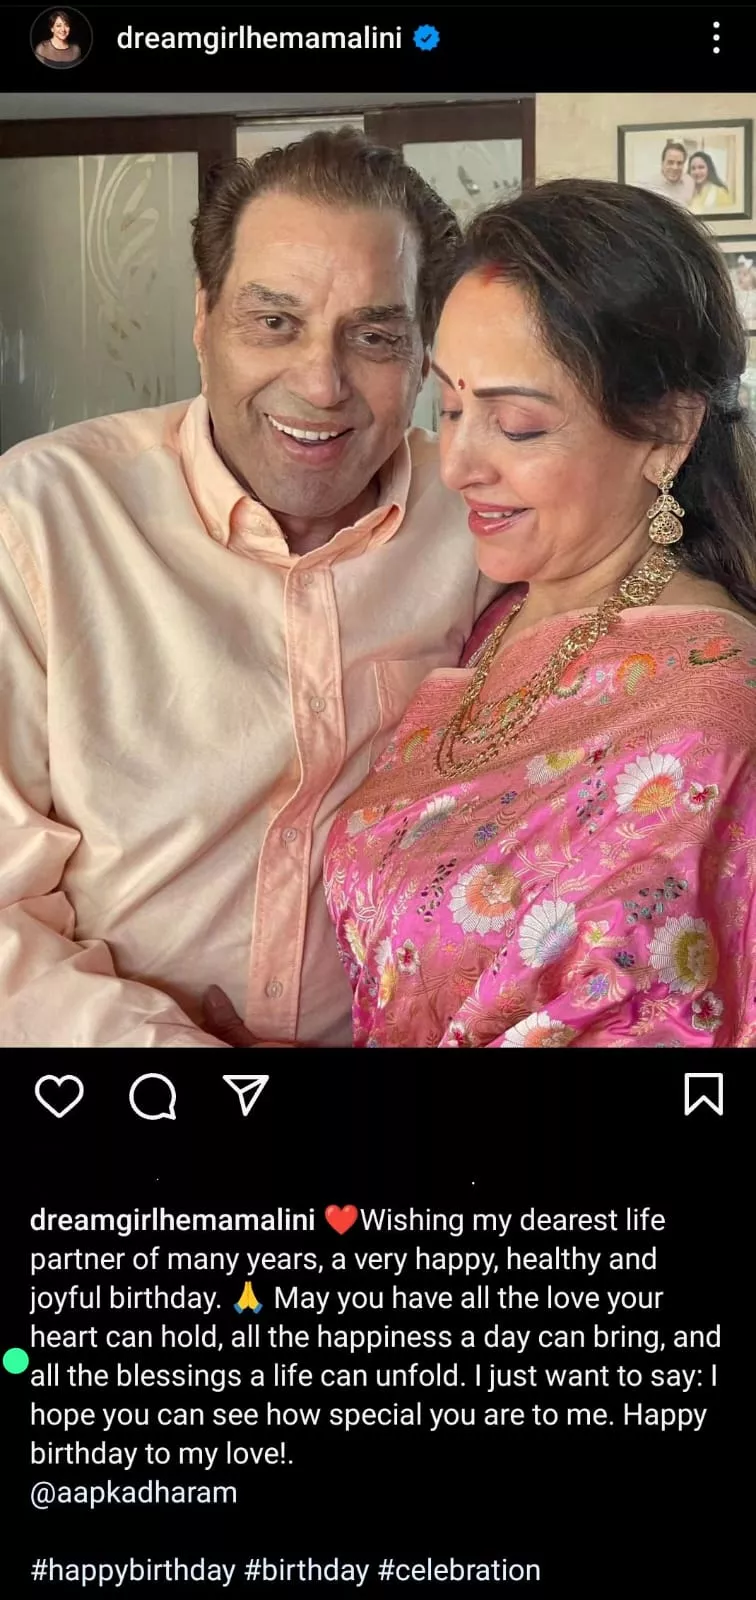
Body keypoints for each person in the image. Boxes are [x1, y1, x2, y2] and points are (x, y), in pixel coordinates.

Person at [0, 130, 499, 1050]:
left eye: (375, 336)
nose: (321, 383)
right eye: (274, 322)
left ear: (422, 353)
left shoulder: (480, 517)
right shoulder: (38, 520)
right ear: (203, 320)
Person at [319, 179, 756, 1049]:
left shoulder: (713, 720)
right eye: (449, 408)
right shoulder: (496, 619)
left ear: (667, 432)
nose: (458, 465)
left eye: (517, 425)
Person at [647, 140, 693, 207]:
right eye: (670, 162)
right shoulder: (650, 187)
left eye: (679, 163)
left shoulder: (690, 183)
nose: (675, 167)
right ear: (662, 163)